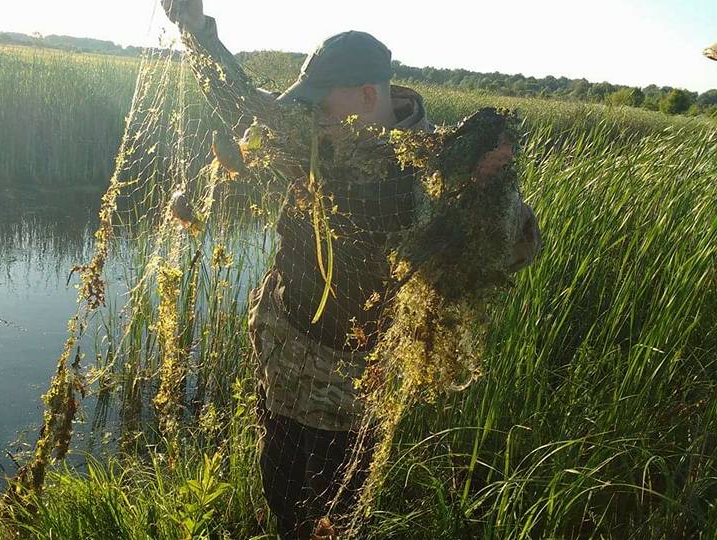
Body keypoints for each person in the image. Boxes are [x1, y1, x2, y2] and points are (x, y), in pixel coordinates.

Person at [162, 1, 542, 538]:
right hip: (284, 341)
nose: (312, 113)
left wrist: (490, 189)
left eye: (322, 103)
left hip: (358, 376)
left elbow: (514, 249)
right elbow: (239, 97)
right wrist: (198, 29)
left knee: (342, 494)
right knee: (283, 479)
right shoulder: (309, 137)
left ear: (368, 96)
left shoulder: (442, 165)